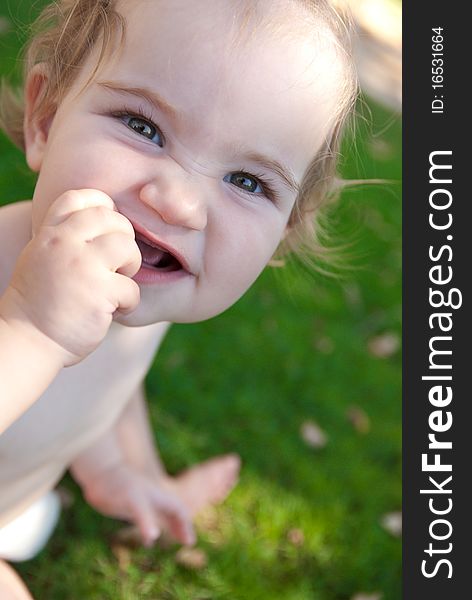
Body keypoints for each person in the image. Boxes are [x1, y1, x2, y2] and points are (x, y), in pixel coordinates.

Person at [0, 0, 358, 597]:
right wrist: (30, 331)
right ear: (46, 118)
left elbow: (109, 382)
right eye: (144, 127)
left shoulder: (140, 295)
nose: (179, 203)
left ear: (283, 236)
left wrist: (120, 470)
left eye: (248, 181)